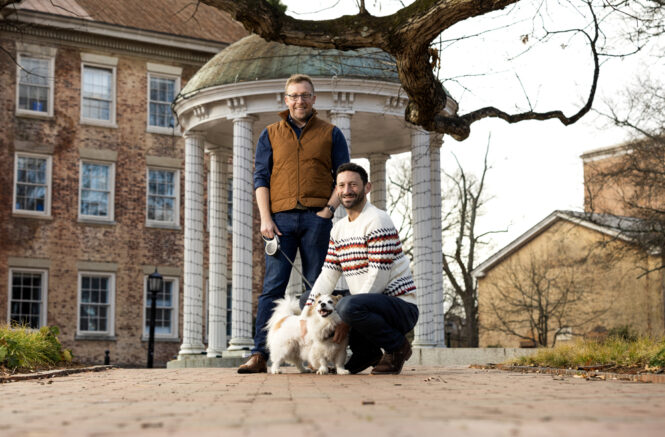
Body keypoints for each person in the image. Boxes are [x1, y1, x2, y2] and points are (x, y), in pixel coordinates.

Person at [238, 74, 350, 373]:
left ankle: (318, 355)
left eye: (305, 95)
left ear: (314, 99)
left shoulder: (331, 133)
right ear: (286, 100)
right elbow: (260, 177)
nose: (300, 100)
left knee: (318, 285)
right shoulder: (270, 134)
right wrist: (265, 218)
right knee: (272, 287)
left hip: (318, 219)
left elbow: (344, 176)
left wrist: (328, 210)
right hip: (280, 221)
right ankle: (259, 354)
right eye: (294, 96)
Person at [300, 162, 419, 375]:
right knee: (310, 299)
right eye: (342, 185)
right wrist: (304, 316)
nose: (347, 191)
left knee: (347, 306)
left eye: (353, 185)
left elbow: (378, 278)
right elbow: (328, 274)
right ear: (336, 190)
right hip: (365, 303)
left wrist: (346, 319)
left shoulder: (377, 220)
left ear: (367, 187)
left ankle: (396, 346)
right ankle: (366, 352)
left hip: (400, 307)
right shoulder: (339, 229)